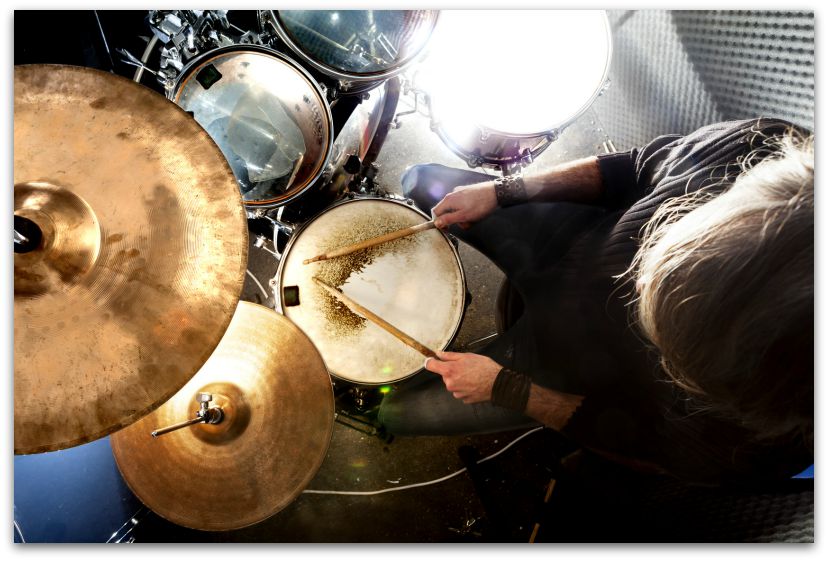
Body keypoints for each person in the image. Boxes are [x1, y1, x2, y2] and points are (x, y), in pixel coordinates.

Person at [377, 118, 814, 486]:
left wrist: (511, 389)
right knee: (419, 179)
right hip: (567, 240)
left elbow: (649, 445)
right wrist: (505, 191)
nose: (634, 290)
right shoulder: (763, 149)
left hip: (559, 372)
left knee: (395, 414)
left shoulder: (774, 439)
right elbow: (635, 167)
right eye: (656, 255)